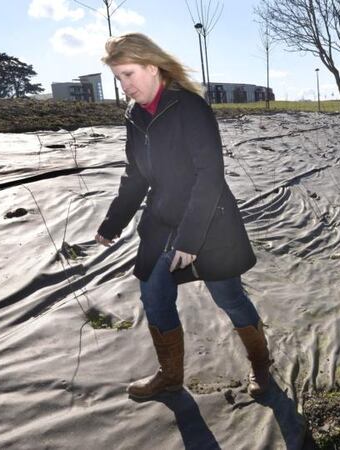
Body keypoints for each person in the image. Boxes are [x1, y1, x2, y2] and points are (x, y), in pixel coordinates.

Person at [94, 33, 271, 399]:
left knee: (229, 298)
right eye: (118, 79)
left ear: (151, 66)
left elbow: (210, 175)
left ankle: (260, 363)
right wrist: (113, 221)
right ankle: (170, 375)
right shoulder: (135, 115)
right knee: (153, 295)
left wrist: (190, 238)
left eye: (129, 75)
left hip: (208, 221)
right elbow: (136, 174)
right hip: (161, 222)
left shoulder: (190, 107)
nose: (125, 86)